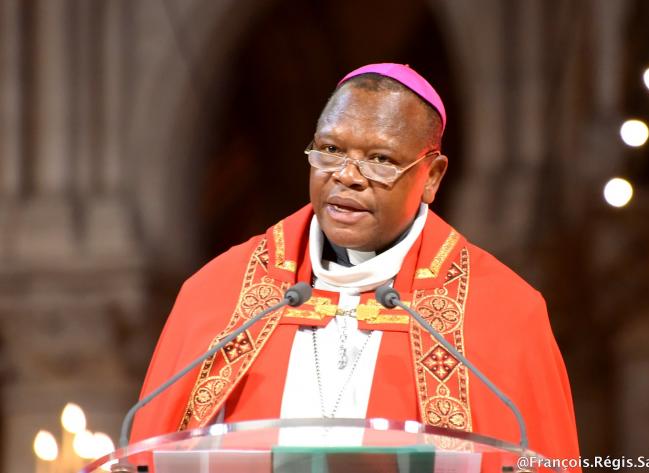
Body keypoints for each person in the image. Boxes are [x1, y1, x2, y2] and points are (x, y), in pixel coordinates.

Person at [130, 63, 580, 465]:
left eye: (380, 160)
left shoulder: (503, 312)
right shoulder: (219, 293)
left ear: (432, 177)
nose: (347, 176)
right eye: (330, 150)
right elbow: (152, 451)